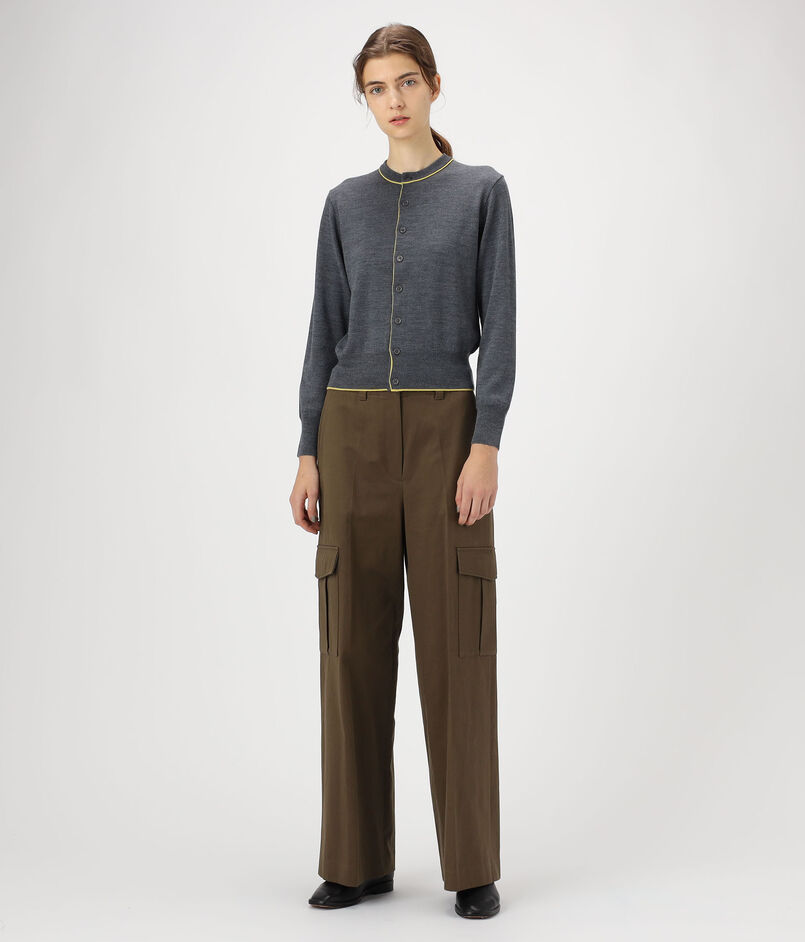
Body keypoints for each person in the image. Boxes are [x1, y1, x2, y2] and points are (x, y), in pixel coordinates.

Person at [289, 23, 516, 920]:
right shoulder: (343, 204)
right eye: (377, 87)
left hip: (443, 431)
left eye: (406, 81)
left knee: (457, 646)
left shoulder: (480, 192)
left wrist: (484, 440)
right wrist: (307, 447)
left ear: (433, 85)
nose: (392, 100)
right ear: (367, 98)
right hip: (348, 433)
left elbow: (500, 325)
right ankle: (355, 860)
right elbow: (323, 328)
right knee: (349, 645)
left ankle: (472, 865)